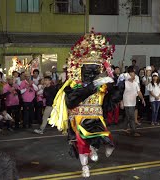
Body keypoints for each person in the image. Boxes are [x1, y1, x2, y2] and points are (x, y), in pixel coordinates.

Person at [48, 31, 123, 178]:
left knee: (100, 135)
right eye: (88, 68)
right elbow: (71, 100)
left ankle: (98, 148)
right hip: (79, 119)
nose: (91, 71)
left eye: (95, 68)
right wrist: (93, 85)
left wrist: (114, 80)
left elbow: (111, 98)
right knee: (82, 143)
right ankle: (85, 166)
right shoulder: (73, 85)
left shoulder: (101, 85)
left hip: (96, 118)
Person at [123, 67, 145, 136]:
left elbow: (139, 92)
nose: (133, 75)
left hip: (133, 101)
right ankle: (133, 131)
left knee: (128, 116)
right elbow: (121, 92)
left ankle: (125, 128)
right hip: (126, 102)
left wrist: (142, 99)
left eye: (134, 74)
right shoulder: (125, 83)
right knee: (131, 116)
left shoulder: (135, 83)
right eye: (131, 74)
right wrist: (121, 101)